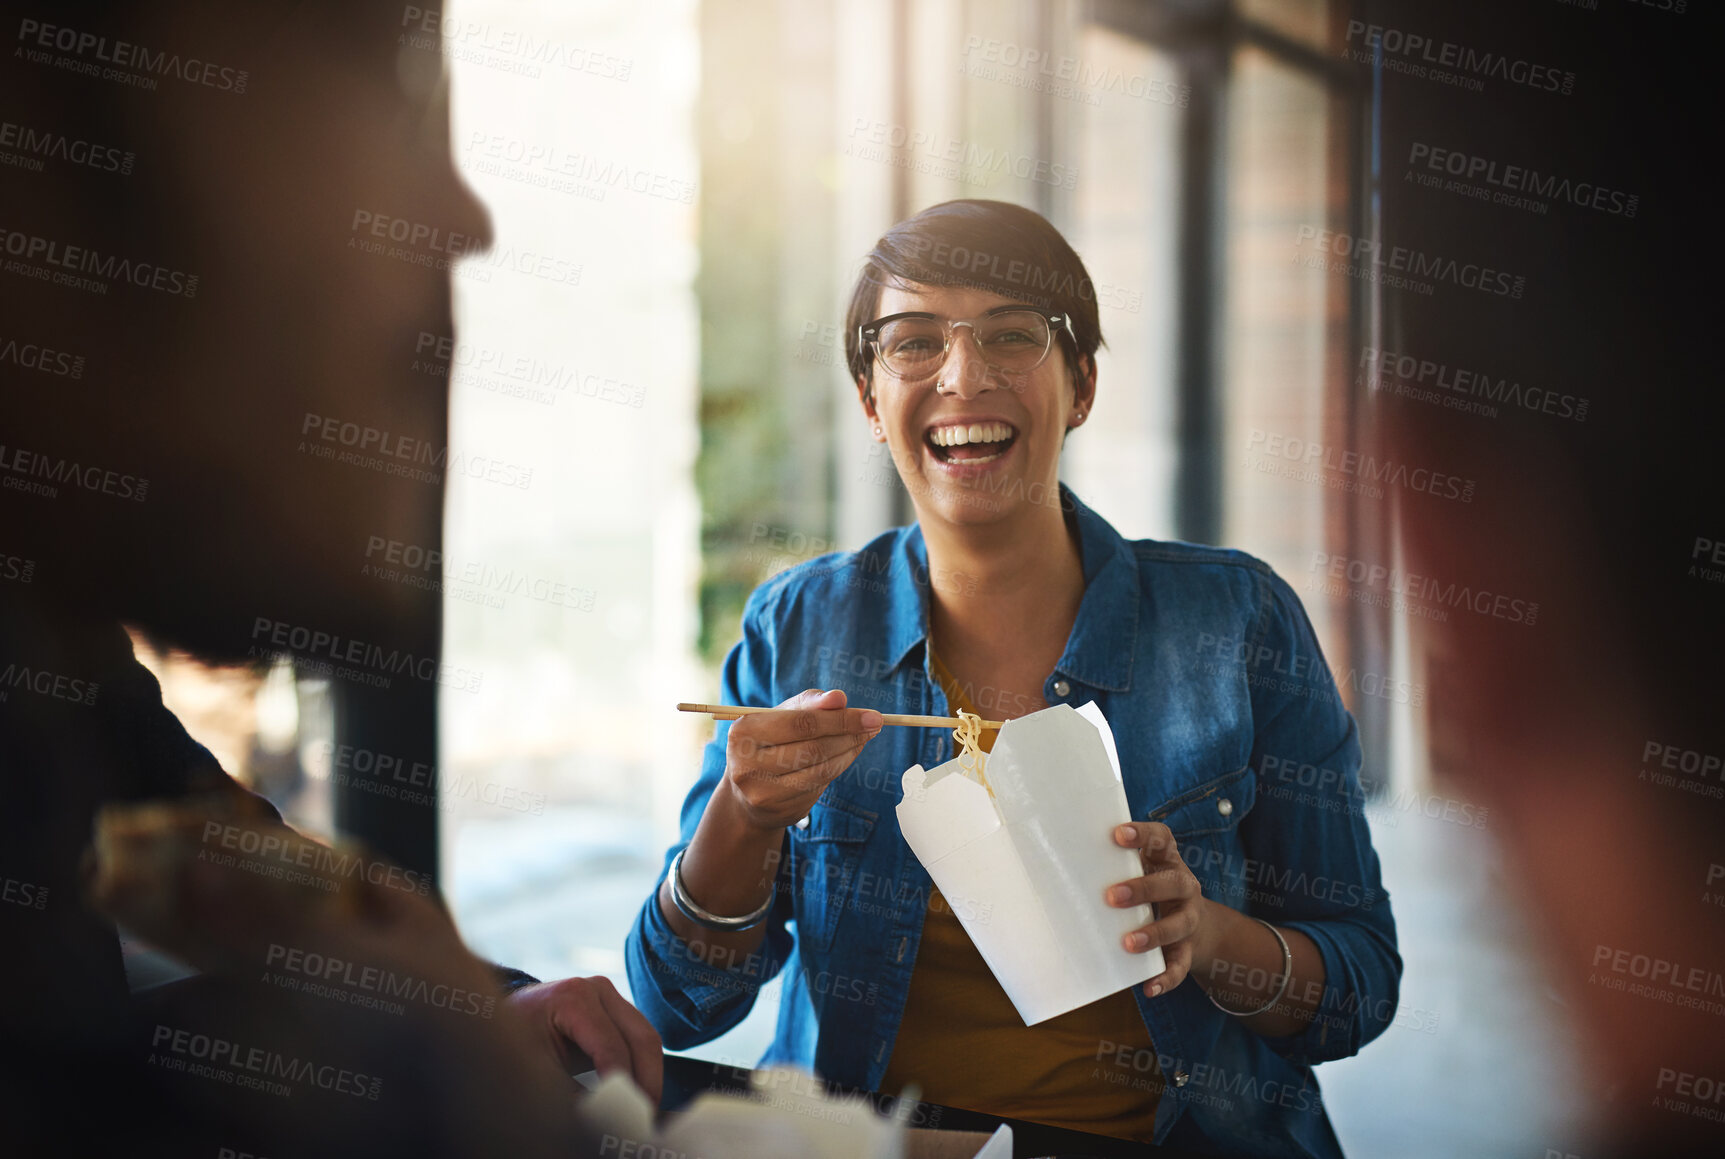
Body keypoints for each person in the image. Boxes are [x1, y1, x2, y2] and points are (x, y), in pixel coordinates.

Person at [0, 1, 656, 1152]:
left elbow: (166, 837)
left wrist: (465, 995)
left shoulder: (40, 642)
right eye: (394, 95)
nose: (462, 219)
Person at [627, 199, 1400, 1156]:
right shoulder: (798, 626)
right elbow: (676, 1003)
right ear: (870, 400)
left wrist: (1206, 934)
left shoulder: (1238, 621)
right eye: (912, 343)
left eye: (1012, 335)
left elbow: (1359, 988)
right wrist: (740, 819)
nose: (963, 375)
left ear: (1079, 385)